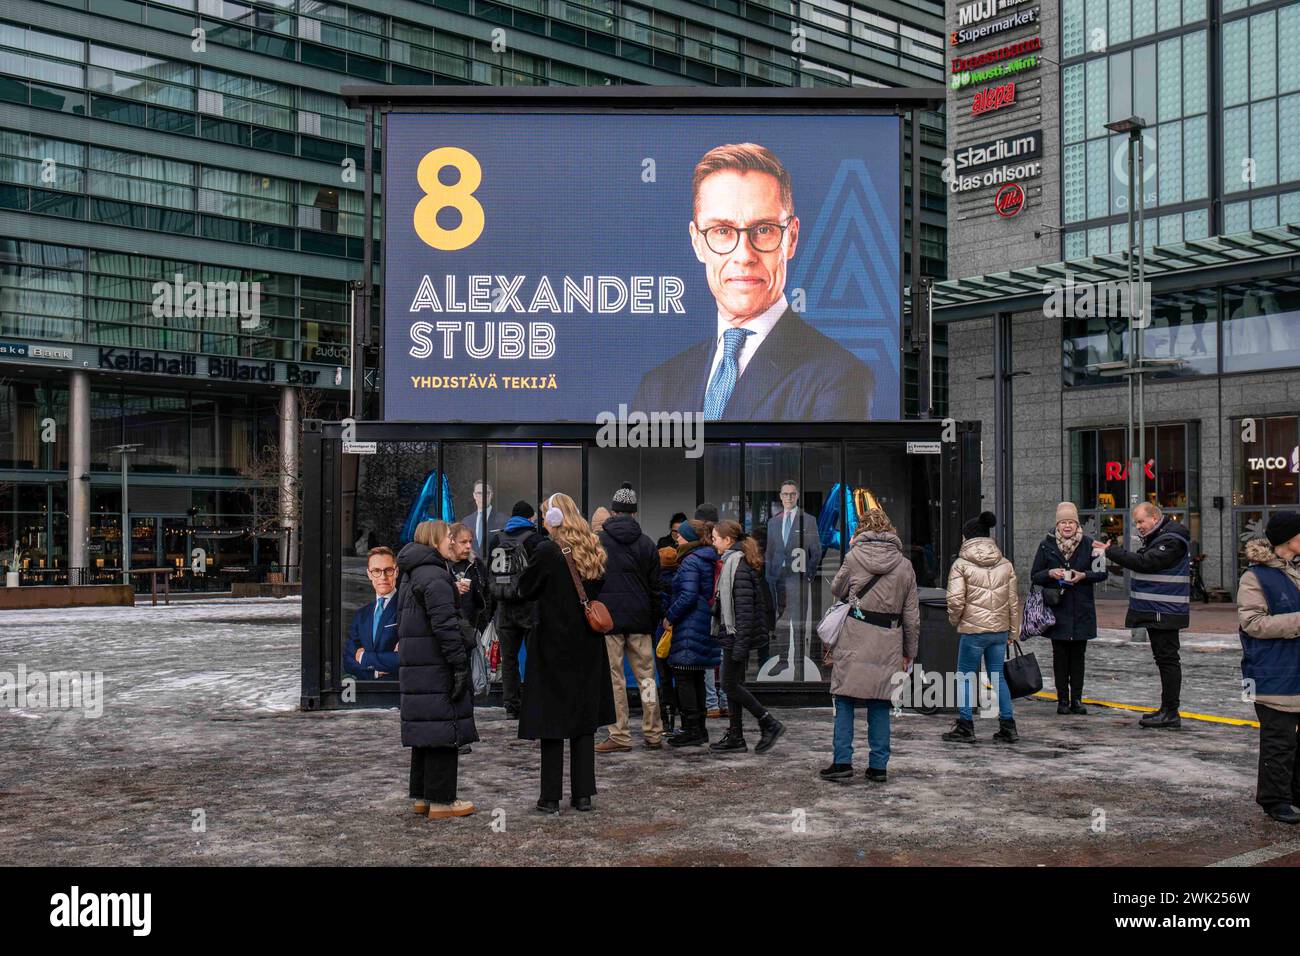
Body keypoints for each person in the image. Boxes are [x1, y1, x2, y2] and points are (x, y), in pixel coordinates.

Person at [630, 142, 872, 421]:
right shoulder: (658, 387)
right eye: (722, 231)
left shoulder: (838, 376)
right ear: (697, 242)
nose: (744, 255)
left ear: (791, 238)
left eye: (764, 230)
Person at [516, 492, 615, 813]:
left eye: (545, 514)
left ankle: (550, 797)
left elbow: (525, 589)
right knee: (583, 721)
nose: (543, 520)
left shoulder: (546, 551)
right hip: (587, 645)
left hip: (552, 646)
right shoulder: (592, 548)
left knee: (551, 722)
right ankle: (583, 794)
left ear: (554, 518)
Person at [819, 509, 919, 783]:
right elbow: (911, 615)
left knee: (845, 698)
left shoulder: (853, 557)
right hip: (888, 639)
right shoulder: (904, 565)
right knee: (880, 702)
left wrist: (851, 556)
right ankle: (878, 766)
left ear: (860, 531)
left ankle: (842, 762)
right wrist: (910, 651)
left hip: (854, 634)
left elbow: (837, 590)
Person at [395, 520, 477, 819]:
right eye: (447, 536)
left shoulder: (412, 573)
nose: (451, 540)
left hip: (418, 664)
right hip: (437, 664)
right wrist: (458, 665)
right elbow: (446, 627)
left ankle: (423, 796)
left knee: (426, 729)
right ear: (434, 541)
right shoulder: (435, 576)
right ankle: (443, 800)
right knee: (444, 728)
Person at [1093, 501, 1192, 728]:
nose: (1138, 526)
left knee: (1167, 661)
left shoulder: (1171, 540)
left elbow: (1145, 563)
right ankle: (1167, 709)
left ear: (1155, 518)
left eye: (1141, 521)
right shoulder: (1161, 538)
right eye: (1136, 522)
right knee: (1164, 660)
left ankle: (1170, 712)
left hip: (1164, 611)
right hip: (1159, 610)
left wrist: (1110, 551)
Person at [1237, 512, 1300, 825]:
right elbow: (1252, 624)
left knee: (1296, 740)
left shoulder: (1296, 570)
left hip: (1295, 668)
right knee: (1279, 740)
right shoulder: (1255, 576)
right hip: (1271, 670)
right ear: (1289, 539)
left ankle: (1296, 792)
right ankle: (1275, 800)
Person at [596, 483, 665, 752]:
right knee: (647, 677)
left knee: (615, 679)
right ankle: (653, 731)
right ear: (634, 514)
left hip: (609, 621)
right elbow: (657, 587)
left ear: (613, 513)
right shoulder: (647, 543)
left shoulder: (599, 541)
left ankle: (620, 734)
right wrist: (654, 616)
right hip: (640, 621)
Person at [943, 511, 1021, 744]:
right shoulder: (1005, 564)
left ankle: (966, 726)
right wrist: (1012, 632)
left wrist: (955, 620)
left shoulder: (961, 564)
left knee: (965, 676)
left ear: (967, 538)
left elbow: (955, 600)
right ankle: (1008, 726)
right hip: (999, 631)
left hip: (973, 632)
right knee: (998, 676)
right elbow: (1013, 602)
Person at [709, 520, 785, 753]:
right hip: (733, 635)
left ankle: (768, 722)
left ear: (728, 541)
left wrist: (740, 644)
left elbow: (744, 610)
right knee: (733, 684)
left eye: (715, 538)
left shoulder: (737, 566)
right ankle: (736, 736)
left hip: (736, 636)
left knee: (729, 685)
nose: (713, 543)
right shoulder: (733, 563)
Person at [1030, 502, 1107, 714]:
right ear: (1057, 524)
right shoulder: (1046, 545)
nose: (1066, 526)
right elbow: (1035, 575)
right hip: (1058, 610)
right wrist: (1050, 573)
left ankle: (1077, 700)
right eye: (1063, 522)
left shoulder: (1090, 544)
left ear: (1076, 524)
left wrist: (1083, 576)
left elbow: (1102, 574)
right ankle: (1062, 700)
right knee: (1060, 657)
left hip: (1081, 609)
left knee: (1078, 658)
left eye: (1070, 522)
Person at [664, 518, 720, 747]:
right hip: (702, 621)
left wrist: (670, 615)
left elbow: (687, 595)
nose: (677, 538)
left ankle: (691, 729)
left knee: (684, 675)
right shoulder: (707, 557)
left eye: (681, 535)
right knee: (695, 674)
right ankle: (699, 728)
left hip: (689, 624)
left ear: (689, 538)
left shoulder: (690, 561)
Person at [487, 501, 546, 719]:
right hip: (529, 606)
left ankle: (511, 704)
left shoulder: (496, 539)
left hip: (503, 607)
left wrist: (490, 612)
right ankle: (534, 702)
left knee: (508, 659)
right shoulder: (535, 540)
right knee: (534, 659)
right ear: (530, 518)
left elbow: (489, 577)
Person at [760, 480, 823, 682]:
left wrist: (809, 575)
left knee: (797, 622)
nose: (788, 497)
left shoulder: (808, 520)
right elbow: (770, 552)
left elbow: (816, 551)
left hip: (798, 579)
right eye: (785, 494)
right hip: (777, 580)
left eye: (792, 494)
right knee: (780, 622)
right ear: (780, 496)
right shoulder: (773, 522)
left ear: (797, 496)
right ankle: (783, 660)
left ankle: (798, 664)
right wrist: (769, 576)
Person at [343, 546, 400, 680]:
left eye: (388, 570)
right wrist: (373, 673)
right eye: (376, 571)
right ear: (369, 574)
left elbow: (406, 659)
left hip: (397, 690)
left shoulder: (407, 608)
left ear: (396, 572)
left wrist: (364, 657)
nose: (383, 577)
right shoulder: (362, 615)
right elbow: (348, 660)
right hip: (367, 689)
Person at [655, 529, 682, 735]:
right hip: (678, 634)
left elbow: (659, 606)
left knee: (662, 678)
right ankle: (677, 715)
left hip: (660, 635)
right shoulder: (680, 580)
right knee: (680, 677)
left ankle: (666, 720)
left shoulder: (657, 583)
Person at [457, 480, 498, 559]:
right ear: (474, 495)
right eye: (479, 493)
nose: (482, 497)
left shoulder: (503, 520)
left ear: (491, 495)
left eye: (486, 493)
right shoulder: (466, 521)